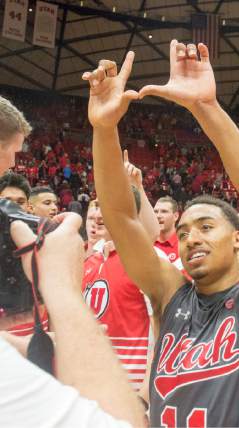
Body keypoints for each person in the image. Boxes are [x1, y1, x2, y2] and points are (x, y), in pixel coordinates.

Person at [83, 41, 239, 427]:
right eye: (183, 233)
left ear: (237, 238)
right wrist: (104, 128)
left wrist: (206, 108)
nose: (191, 237)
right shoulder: (170, 295)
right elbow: (120, 216)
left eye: (206, 227)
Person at [0, 95, 145, 427]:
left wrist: (25, 346)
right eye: (11, 154)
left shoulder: (128, 258)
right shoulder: (72, 257)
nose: (12, 165)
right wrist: (61, 289)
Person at [83, 156, 160, 391]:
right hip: (91, 379)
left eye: (106, 209)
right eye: (96, 210)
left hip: (132, 385)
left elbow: (161, 328)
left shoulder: (143, 259)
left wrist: (146, 391)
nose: (98, 217)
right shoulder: (89, 259)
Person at [153, 195, 181, 267]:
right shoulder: (147, 243)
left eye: (164, 211)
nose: (158, 216)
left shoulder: (184, 244)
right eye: (155, 211)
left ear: (176, 216)